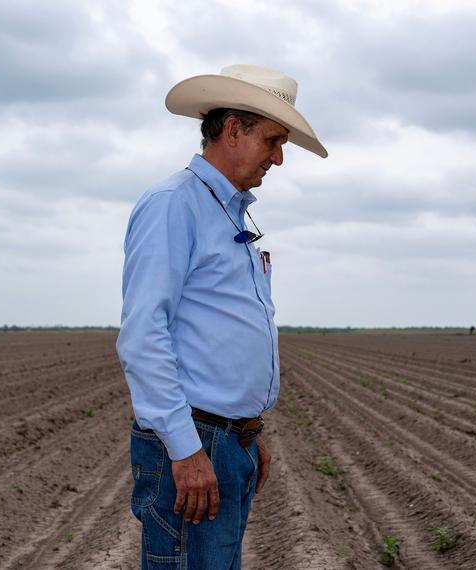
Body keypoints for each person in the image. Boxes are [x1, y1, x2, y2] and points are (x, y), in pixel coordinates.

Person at [116, 64, 327, 569]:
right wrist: (187, 451)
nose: (279, 158)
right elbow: (144, 335)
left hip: (228, 442)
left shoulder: (230, 210)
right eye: (274, 141)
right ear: (233, 129)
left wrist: (247, 435)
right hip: (194, 445)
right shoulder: (174, 204)